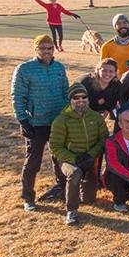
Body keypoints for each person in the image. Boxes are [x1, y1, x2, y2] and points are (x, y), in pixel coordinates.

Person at [49, 83, 109, 225]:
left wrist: (91, 155)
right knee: (75, 173)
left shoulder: (96, 117)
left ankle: (72, 190)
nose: (80, 100)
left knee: (89, 199)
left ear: (88, 99)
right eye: (76, 98)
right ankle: (72, 211)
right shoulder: (61, 120)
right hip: (68, 159)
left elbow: (104, 139)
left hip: (89, 158)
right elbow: (55, 147)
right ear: (70, 100)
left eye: (84, 97)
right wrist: (74, 158)